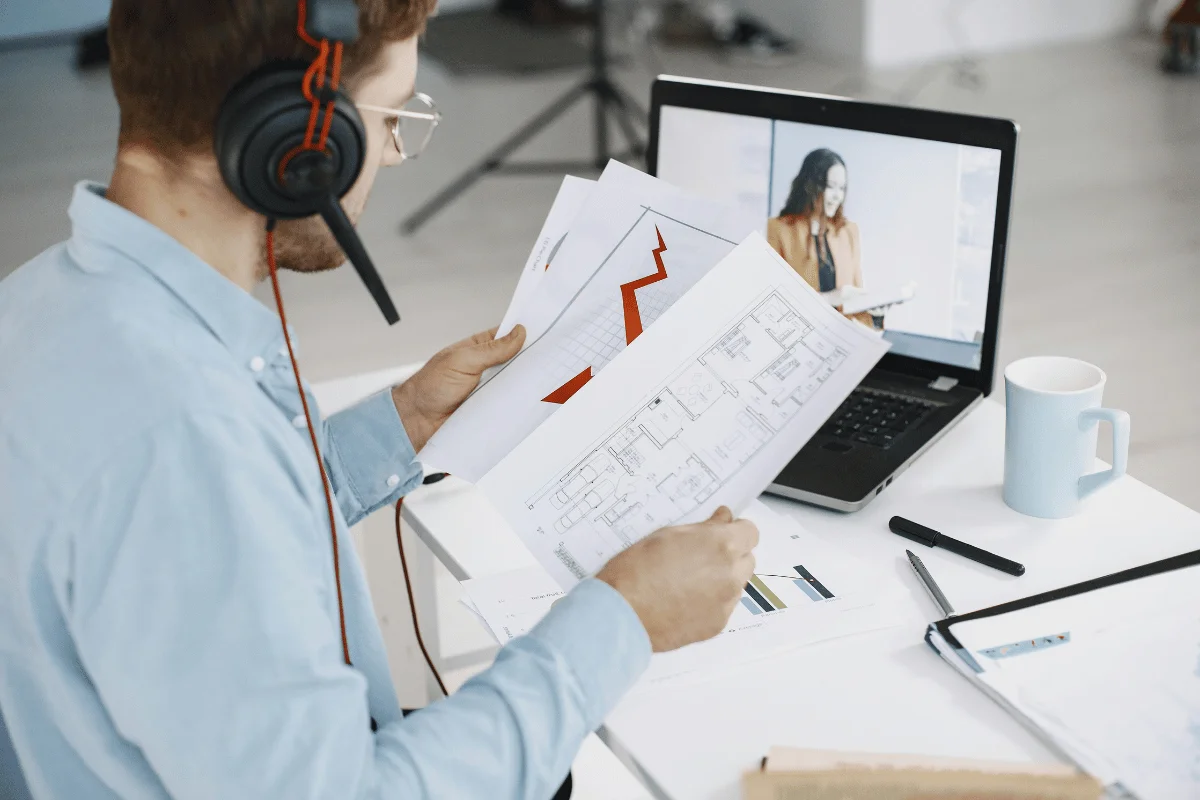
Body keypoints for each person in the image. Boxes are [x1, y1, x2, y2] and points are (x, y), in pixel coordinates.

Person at [0, 2, 759, 799]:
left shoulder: (40, 306)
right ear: (299, 137)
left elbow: (190, 554)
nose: (395, 155)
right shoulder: (185, 441)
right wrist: (625, 617)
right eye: (391, 118)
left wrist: (403, 421)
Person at [767, 148, 875, 328]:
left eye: (842, 188)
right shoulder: (778, 229)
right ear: (810, 186)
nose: (837, 197)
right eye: (831, 186)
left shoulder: (849, 231)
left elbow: (857, 297)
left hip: (844, 337)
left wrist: (875, 314)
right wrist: (831, 297)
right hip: (797, 338)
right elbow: (773, 301)